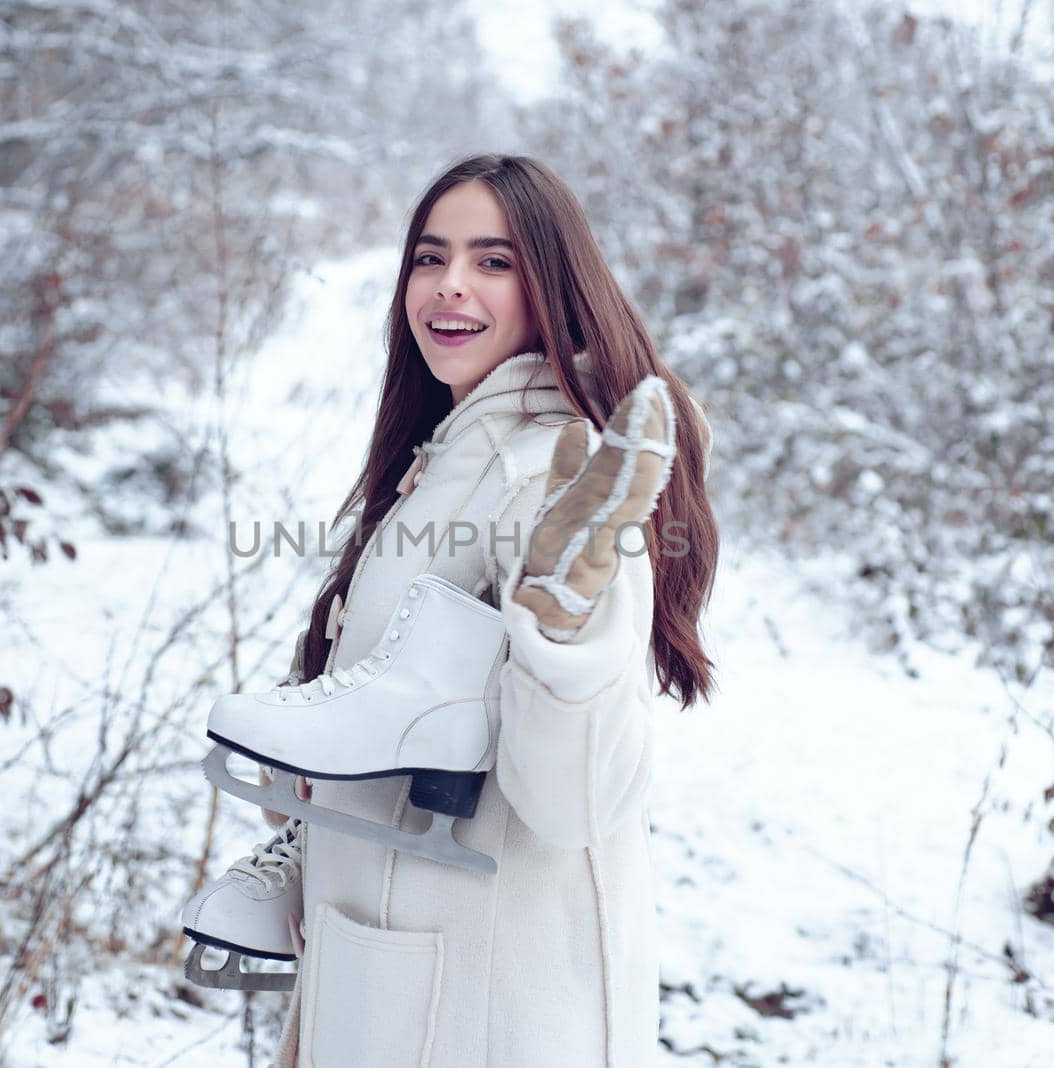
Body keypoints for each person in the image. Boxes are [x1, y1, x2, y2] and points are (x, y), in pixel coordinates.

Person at [237, 152, 716, 1066]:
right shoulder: (446, 461)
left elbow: (573, 798)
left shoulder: (558, 476)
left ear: (554, 286)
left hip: (482, 1009)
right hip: (388, 982)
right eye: (430, 257)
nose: (450, 287)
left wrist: (565, 625)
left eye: (494, 262)